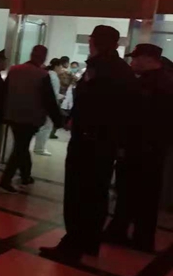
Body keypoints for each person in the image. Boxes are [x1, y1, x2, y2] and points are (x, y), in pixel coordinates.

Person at [40, 26, 137, 263]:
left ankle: (72, 246)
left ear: (93, 42)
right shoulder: (122, 69)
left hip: (88, 141)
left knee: (79, 194)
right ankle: (89, 243)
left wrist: (76, 122)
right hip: (104, 142)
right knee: (96, 194)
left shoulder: (99, 68)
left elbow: (91, 104)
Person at [104, 44, 173, 252]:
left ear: (148, 59)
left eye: (136, 58)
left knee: (131, 191)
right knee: (144, 195)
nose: (132, 62)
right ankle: (137, 236)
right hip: (153, 150)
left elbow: (137, 120)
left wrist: (123, 144)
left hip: (140, 149)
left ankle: (124, 232)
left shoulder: (150, 85)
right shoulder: (165, 81)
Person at [0, 45, 62, 193]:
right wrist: (58, 121)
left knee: (21, 145)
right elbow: (49, 101)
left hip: (13, 115)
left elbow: (4, 93)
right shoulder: (42, 75)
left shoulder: (14, 70)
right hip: (31, 117)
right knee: (20, 147)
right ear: (43, 57)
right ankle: (5, 180)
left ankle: (26, 175)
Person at [34, 58, 64, 155]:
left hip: (43, 105)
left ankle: (39, 147)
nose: (62, 69)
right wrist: (60, 97)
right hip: (49, 106)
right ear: (56, 66)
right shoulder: (53, 77)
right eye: (61, 67)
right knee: (47, 127)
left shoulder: (48, 74)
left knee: (44, 127)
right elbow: (53, 94)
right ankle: (40, 148)